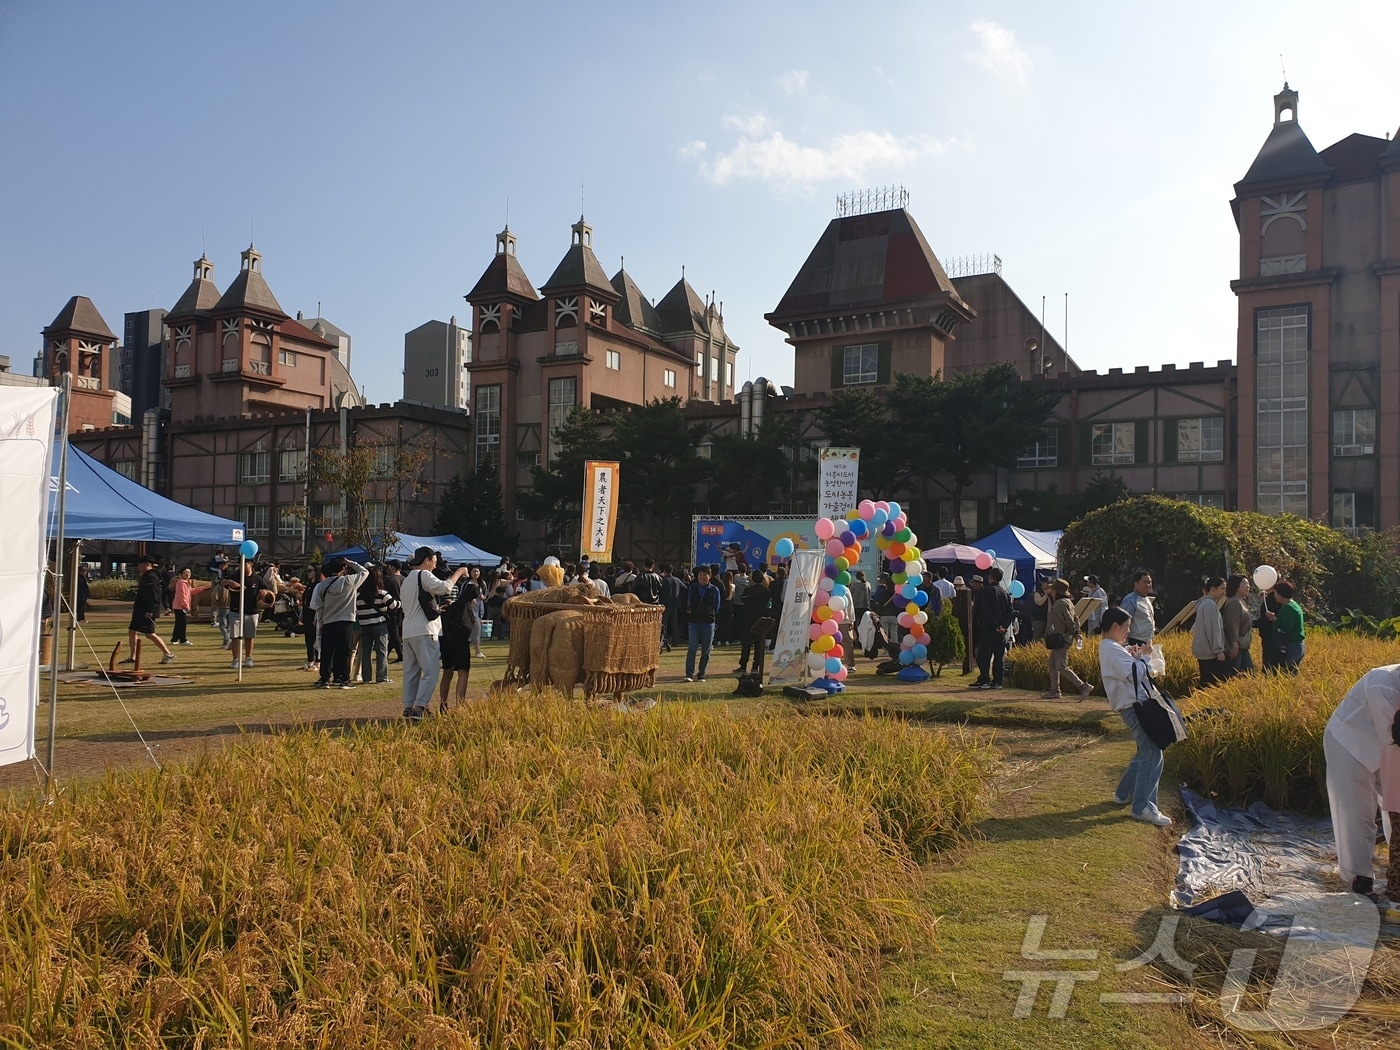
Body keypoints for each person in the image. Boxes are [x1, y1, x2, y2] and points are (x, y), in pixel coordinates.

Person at [1323, 664, 1400, 895]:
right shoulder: (1383, 685)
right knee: (1357, 814)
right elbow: (1392, 744)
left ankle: (1395, 868)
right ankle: (1358, 879)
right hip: (1350, 745)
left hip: (1387, 749)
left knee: (1393, 813)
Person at [1099, 606, 1174, 826]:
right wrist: (1145, 658)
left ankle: (1124, 793)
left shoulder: (1112, 647)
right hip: (1135, 707)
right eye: (1126, 627)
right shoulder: (1110, 648)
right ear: (1115, 626)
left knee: (1145, 749)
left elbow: (1129, 669)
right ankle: (1143, 807)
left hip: (1133, 705)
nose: (1128, 632)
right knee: (1153, 751)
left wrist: (1135, 656)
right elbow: (1133, 674)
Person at [401, 548, 469, 721]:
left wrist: (437, 609)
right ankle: (420, 707)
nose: (435, 564)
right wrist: (459, 572)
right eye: (434, 561)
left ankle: (409, 707)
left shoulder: (407, 579)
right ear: (428, 560)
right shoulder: (423, 575)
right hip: (425, 631)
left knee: (411, 672)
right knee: (431, 671)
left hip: (408, 632)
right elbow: (445, 587)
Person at [311, 557, 369, 688]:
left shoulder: (322, 585)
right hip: (346, 620)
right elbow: (365, 572)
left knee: (327, 651)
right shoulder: (350, 580)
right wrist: (351, 562)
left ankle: (325, 678)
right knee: (344, 651)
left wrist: (320, 623)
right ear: (343, 569)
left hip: (328, 620)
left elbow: (319, 606)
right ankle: (343, 678)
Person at [1042, 578, 1093, 700]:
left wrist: (1075, 632)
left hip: (1062, 638)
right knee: (1053, 664)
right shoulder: (1068, 602)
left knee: (1061, 666)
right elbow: (1075, 618)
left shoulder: (1060, 603)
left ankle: (1083, 686)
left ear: (1056, 591)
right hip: (1062, 636)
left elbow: (1069, 620)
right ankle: (1055, 690)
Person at [355, 566, 400, 686]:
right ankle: (381, 677)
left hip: (364, 626)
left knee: (365, 653)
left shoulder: (358, 595)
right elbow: (394, 605)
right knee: (381, 652)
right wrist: (400, 603)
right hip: (379, 625)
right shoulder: (381, 593)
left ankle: (366, 677)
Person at [223, 559, 271, 669]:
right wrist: (229, 583)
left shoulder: (257, 578)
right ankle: (235, 659)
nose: (242, 566)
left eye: (245, 564)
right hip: (236, 611)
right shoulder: (235, 576)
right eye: (240, 564)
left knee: (249, 636)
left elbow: (266, 592)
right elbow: (221, 582)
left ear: (251, 564)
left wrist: (265, 593)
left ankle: (248, 658)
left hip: (252, 611)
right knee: (235, 636)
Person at [129, 554, 176, 665]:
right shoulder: (145, 576)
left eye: (140, 565)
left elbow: (155, 594)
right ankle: (132, 656)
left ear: (147, 565)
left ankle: (168, 654)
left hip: (148, 610)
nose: (138, 567)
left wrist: (150, 610)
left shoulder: (152, 577)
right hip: (140, 609)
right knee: (132, 631)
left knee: (149, 633)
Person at [438, 582, 479, 712]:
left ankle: (443, 704)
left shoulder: (453, 606)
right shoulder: (466, 608)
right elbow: (466, 627)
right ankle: (460, 704)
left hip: (445, 641)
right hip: (459, 642)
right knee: (463, 673)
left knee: (447, 672)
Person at [971, 569, 1013, 690]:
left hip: (989, 629)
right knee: (999, 657)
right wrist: (1004, 626)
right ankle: (998, 681)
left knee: (984, 655)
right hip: (1002, 631)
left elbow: (986, 611)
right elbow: (1010, 612)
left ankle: (984, 679)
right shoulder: (1004, 592)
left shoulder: (986, 591)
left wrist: (995, 626)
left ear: (990, 577)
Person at [1191, 576, 1231, 688]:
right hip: (1210, 653)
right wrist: (1219, 650)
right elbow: (1213, 629)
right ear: (1213, 589)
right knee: (1212, 684)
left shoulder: (1204, 604)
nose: (1224, 592)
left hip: (1205, 652)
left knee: (1206, 682)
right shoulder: (1209, 605)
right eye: (1222, 588)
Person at [684, 565, 721, 682]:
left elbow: (717, 606)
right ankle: (689, 674)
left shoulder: (714, 590)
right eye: (700, 575)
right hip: (694, 622)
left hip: (708, 623)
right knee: (692, 648)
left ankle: (701, 674)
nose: (702, 577)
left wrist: (710, 614)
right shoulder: (692, 588)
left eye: (705, 575)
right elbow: (689, 602)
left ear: (709, 576)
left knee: (706, 650)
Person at [734, 570, 772, 675]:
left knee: (746, 643)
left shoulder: (748, 590)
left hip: (749, 619)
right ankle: (756, 667)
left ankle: (743, 665)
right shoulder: (766, 591)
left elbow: (743, 600)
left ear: (752, 579)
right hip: (761, 620)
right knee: (759, 644)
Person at [1262, 580, 1305, 673]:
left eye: (1276, 593)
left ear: (1282, 595)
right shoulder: (1291, 605)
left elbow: (1286, 628)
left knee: (1287, 674)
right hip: (1296, 645)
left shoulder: (1289, 608)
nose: (1274, 596)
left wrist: (1274, 619)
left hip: (1293, 646)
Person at [1221, 574, 1254, 673]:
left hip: (1242, 647)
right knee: (1234, 675)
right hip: (1236, 646)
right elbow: (1232, 625)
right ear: (1236, 586)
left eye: (1248, 584)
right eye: (1245, 583)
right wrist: (1234, 644)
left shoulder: (1241, 601)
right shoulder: (1234, 602)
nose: (1248, 586)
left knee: (1248, 674)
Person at [1120, 570, 1156, 646]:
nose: (1148, 585)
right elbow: (1123, 623)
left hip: (1147, 642)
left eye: (1149, 582)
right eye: (1145, 582)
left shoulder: (1147, 600)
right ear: (1136, 584)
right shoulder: (1131, 600)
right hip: (1134, 642)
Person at [301, 565, 323, 671]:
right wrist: (301, 616)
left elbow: (318, 603)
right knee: (308, 639)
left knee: (316, 638)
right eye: (307, 570)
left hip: (315, 615)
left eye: (310, 570)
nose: (308, 573)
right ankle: (310, 660)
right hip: (307, 615)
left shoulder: (319, 585)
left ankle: (318, 661)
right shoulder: (309, 585)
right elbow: (305, 601)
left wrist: (316, 618)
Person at [383, 561, 404, 662]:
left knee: (394, 632)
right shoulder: (404, 579)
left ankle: (400, 655)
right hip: (404, 608)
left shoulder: (388, 580)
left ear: (392, 567)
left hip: (392, 608)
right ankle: (387, 653)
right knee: (396, 632)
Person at [206, 549, 230, 629]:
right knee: (215, 604)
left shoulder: (220, 570)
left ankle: (218, 620)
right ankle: (213, 621)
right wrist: (226, 560)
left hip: (220, 589)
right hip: (216, 588)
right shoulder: (216, 558)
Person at [170, 567, 194, 645]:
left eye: (189, 572)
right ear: (181, 574)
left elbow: (191, 591)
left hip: (180, 606)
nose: (188, 574)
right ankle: (183, 640)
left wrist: (202, 588)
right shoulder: (181, 583)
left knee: (179, 623)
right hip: (180, 606)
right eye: (186, 572)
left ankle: (174, 639)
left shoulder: (186, 582)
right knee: (182, 623)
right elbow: (182, 595)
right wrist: (185, 605)